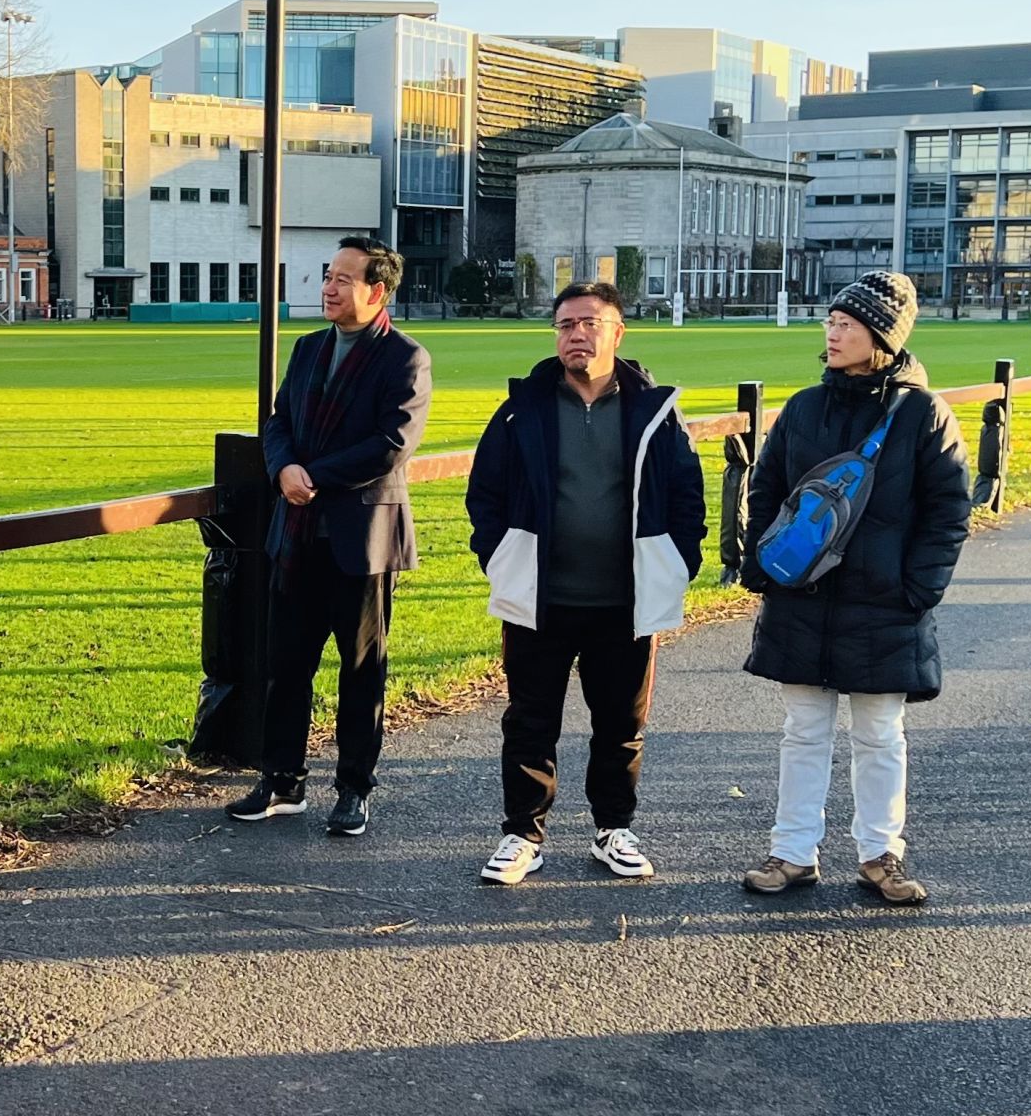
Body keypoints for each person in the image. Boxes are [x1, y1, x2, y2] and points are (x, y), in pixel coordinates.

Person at [739, 272, 970, 905]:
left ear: (882, 337)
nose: (832, 333)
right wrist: (760, 564)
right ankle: (792, 854)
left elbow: (949, 510)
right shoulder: (803, 407)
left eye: (846, 324)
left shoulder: (923, 414)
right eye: (831, 322)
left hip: (884, 602)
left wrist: (918, 589)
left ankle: (880, 855)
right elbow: (765, 489)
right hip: (802, 597)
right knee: (803, 731)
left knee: (880, 735)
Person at [465, 281, 705, 885]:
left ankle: (613, 829)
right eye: (566, 324)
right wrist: (500, 557)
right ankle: (523, 835)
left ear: (617, 332)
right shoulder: (522, 409)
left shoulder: (654, 410)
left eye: (589, 323)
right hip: (539, 598)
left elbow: (687, 495)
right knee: (529, 721)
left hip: (626, 601)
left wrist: (678, 562)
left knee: (621, 724)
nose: (576, 334)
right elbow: (485, 493)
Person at [225, 236, 432, 836]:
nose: (329, 288)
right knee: (286, 665)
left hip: (361, 539)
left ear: (378, 291)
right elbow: (279, 422)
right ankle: (282, 781)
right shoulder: (309, 347)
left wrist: (312, 475)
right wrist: (283, 468)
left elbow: (392, 443)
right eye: (327, 276)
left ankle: (354, 788)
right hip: (295, 534)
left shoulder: (405, 358)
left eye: (344, 278)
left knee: (361, 669)